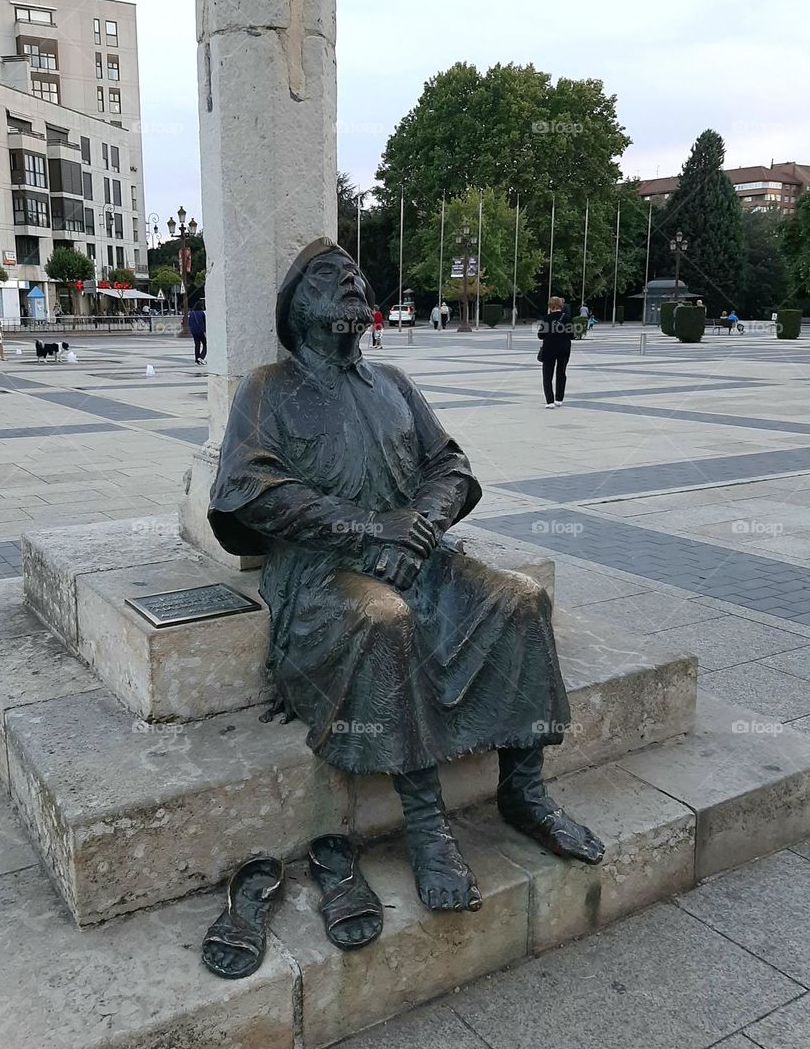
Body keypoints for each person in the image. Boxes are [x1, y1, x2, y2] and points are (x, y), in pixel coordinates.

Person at [209, 241, 603, 921]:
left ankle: (526, 789)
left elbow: (451, 467)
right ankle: (427, 825)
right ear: (298, 307)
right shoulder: (266, 388)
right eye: (335, 280)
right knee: (385, 619)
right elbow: (249, 492)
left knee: (524, 600)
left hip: (424, 556)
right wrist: (368, 529)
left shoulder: (392, 383)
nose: (355, 287)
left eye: (359, 280)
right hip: (322, 573)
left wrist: (419, 522)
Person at [537, 295, 573, 408]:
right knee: (561, 373)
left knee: (547, 375)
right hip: (564, 349)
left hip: (549, 349)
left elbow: (540, 335)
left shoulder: (546, 319)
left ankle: (550, 401)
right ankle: (559, 399)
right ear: (561, 306)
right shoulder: (567, 318)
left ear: (550, 306)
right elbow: (572, 335)